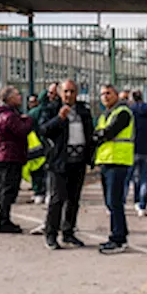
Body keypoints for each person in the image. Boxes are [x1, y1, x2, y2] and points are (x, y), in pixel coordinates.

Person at [39, 79, 95, 250]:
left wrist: (90, 158)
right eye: (66, 91)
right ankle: (51, 234)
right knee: (57, 199)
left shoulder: (83, 110)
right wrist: (59, 118)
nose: (69, 95)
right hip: (60, 161)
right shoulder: (51, 109)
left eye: (72, 91)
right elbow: (42, 130)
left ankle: (68, 232)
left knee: (74, 199)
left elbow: (90, 133)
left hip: (78, 162)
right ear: (60, 93)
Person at [93, 83, 135, 254]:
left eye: (109, 93)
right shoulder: (105, 115)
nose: (105, 97)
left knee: (114, 201)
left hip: (118, 161)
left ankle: (118, 238)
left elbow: (108, 133)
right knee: (110, 202)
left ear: (116, 95)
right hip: (106, 161)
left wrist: (97, 136)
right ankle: (119, 233)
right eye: (102, 94)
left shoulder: (122, 112)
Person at [0, 86, 34, 234]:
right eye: (17, 94)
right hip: (10, 156)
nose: (20, 97)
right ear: (9, 98)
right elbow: (21, 130)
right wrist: (28, 120)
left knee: (4, 189)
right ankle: (4, 221)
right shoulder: (9, 116)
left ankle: (4, 219)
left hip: (1, 155)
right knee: (8, 190)